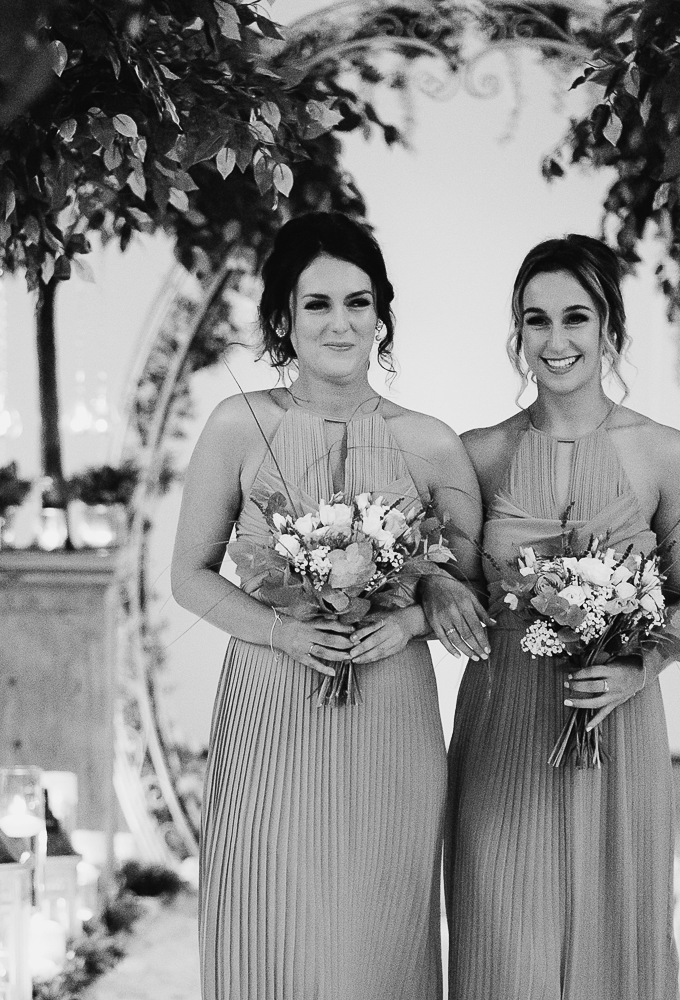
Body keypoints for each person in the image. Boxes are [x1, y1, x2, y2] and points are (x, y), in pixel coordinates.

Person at [172, 212, 490, 999]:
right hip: (271, 706)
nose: (339, 322)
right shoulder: (238, 425)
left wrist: (414, 616)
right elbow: (190, 576)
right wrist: (282, 633)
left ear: (381, 314)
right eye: (317, 304)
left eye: (358, 301)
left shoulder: (433, 443)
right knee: (273, 924)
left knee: (376, 935)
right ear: (283, 317)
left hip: (391, 710)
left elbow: (475, 588)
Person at [447, 236, 680, 1000]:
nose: (555, 341)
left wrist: (639, 669)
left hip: (618, 728)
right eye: (536, 321)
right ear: (517, 335)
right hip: (504, 726)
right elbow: (454, 591)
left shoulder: (666, 453)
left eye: (575, 318)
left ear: (609, 329)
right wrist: (434, 590)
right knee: (502, 937)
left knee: (615, 938)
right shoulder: (480, 452)